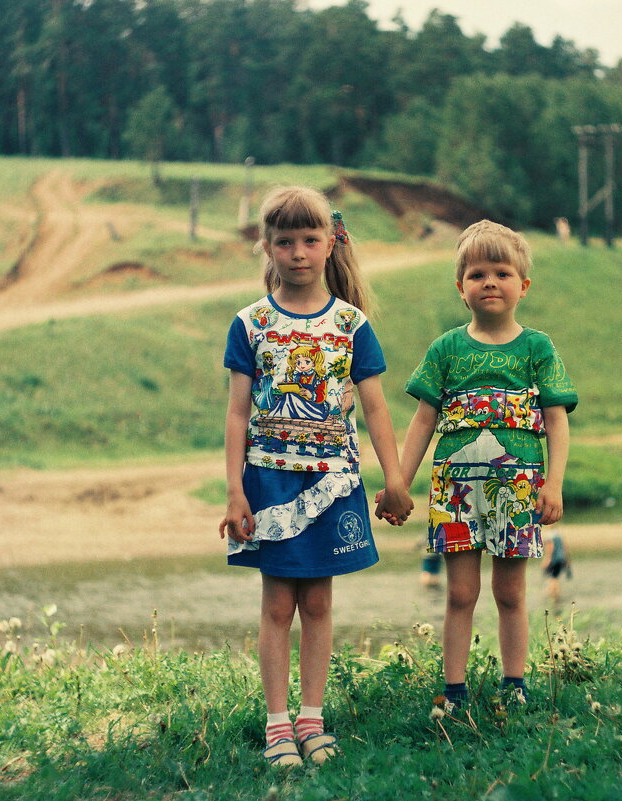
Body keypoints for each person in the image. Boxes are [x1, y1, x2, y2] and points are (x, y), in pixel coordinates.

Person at [219, 186, 413, 767]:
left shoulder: (353, 326)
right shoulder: (250, 324)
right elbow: (235, 412)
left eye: (310, 239)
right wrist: (234, 491)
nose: (298, 252)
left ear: (331, 243)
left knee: (320, 605)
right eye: (285, 241)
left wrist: (396, 477)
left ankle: (312, 719)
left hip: (335, 485)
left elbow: (376, 407)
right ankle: (277, 725)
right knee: (277, 605)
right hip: (269, 484)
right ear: (267, 246)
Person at [397, 219, 578, 708]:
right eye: (477, 274)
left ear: (523, 285)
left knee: (510, 593)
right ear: (461, 288)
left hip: (519, 490)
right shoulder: (446, 350)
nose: (490, 282)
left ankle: (513, 686)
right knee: (460, 593)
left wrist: (554, 484)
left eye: (501, 272)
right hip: (455, 492)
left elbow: (557, 423)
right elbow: (421, 423)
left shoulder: (537, 349)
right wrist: (399, 483)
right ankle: (453, 690)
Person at [542, 527, 571, 606]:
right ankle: (556, 596)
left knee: (552, 578)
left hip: (554, 559)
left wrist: (547, 559)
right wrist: (567, 559)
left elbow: (550, 548)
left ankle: (551, 595)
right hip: (561, 559)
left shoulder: (549, 535)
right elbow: (565, 547)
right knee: (556, 577)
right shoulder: (559, 535)